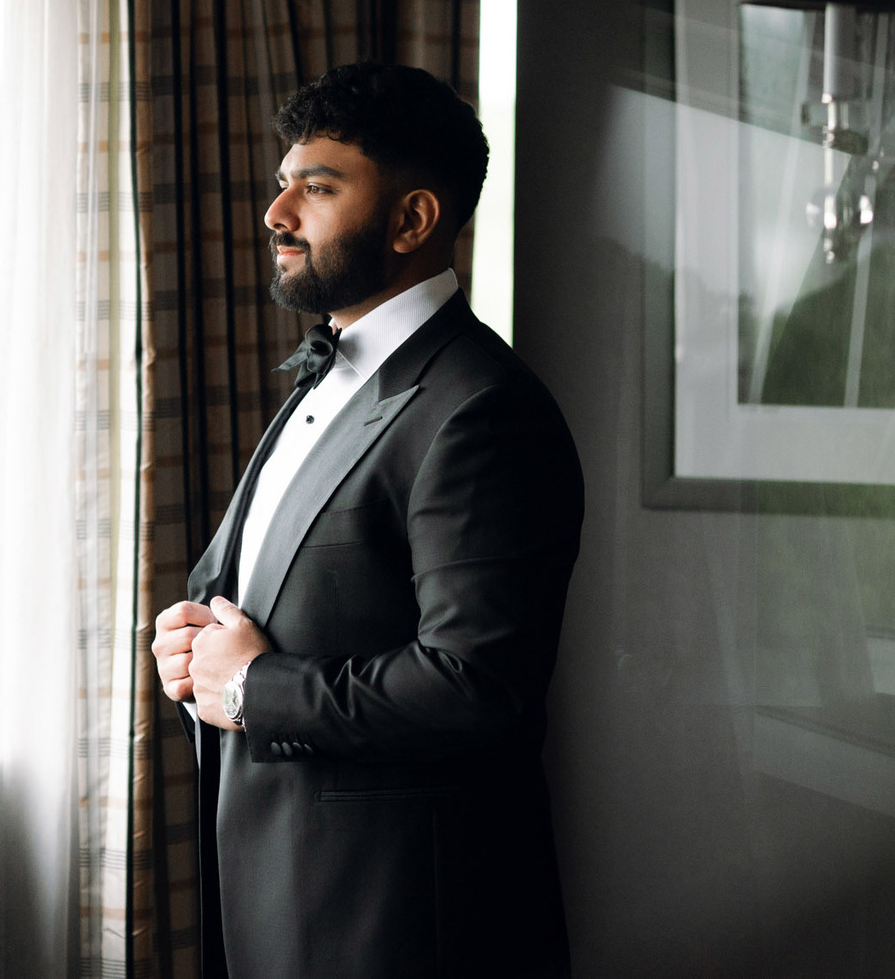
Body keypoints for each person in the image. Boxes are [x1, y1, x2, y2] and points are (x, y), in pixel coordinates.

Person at [149, 62, 584, 979]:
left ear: (412, 218)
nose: (277, 212)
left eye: (317, 187)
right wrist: (195, 647)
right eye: (282, 183)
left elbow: (478, 688)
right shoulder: (332, 369)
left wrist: (253, 690)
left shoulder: (482, 409)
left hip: (401, 927)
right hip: (279, 889)